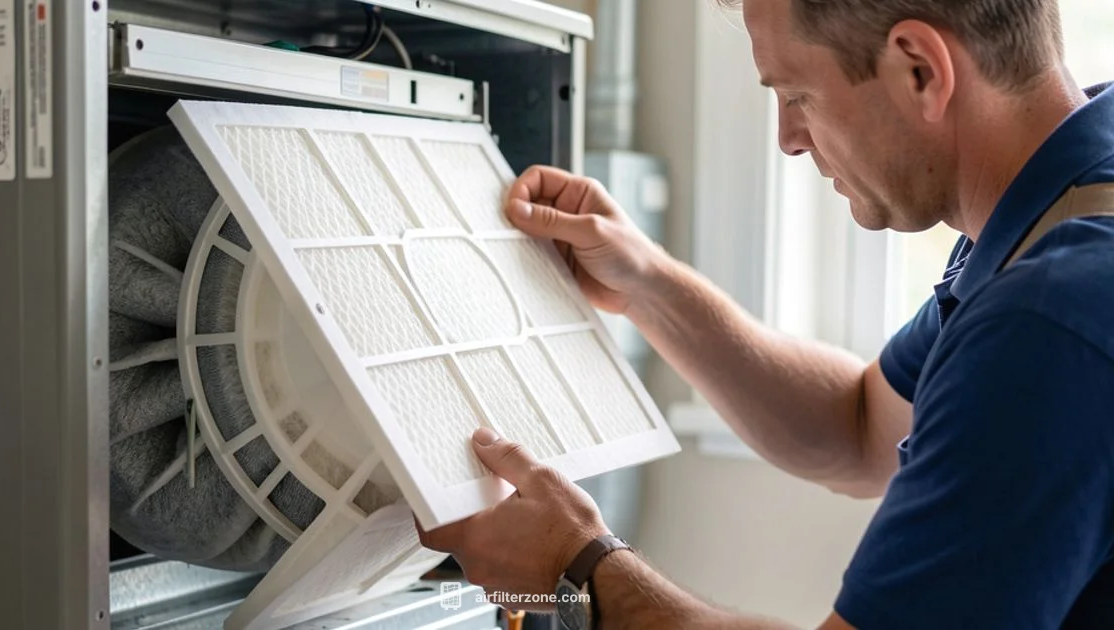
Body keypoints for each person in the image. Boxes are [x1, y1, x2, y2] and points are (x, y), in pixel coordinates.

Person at [417, 0, 1114, 628]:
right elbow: (859, 425)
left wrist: (579, 567)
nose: (788, 137)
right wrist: (646, 285)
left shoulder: (1050, 318)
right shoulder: (1053, 204)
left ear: (920, 71)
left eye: (797, 94)